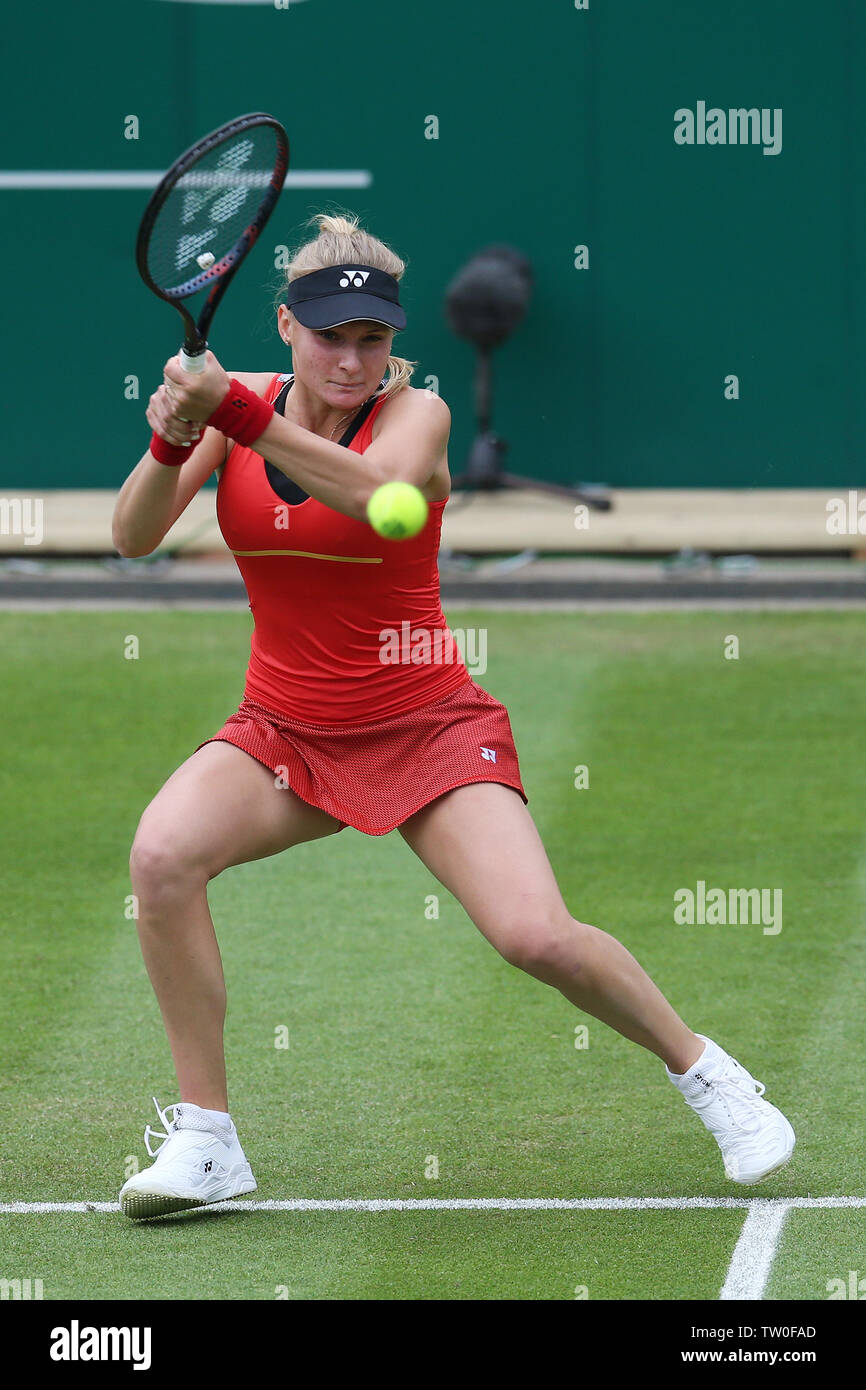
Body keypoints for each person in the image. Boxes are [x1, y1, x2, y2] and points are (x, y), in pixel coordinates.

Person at [111, 213, 794, 1220]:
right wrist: (175, 435)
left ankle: (705, 1073)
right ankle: (207, 1140)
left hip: (424, 723)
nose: (351, 358)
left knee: (533, 936)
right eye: (330, 335)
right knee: (161, 857)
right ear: (286, 327)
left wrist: (237, 420)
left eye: (370, 338)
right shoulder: (233, 409)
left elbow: (381, 492)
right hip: (285, 730)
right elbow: (131, 537)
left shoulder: (414, 417)